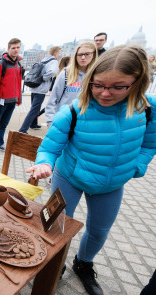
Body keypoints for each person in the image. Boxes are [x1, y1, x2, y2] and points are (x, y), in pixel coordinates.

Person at [27, 44, 156, 295]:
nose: (105, 94)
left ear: (137, 82)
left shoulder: (148, 108)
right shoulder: (75, 110)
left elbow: (150, 143)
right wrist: (44, 163)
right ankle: (55, 262)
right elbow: (50, 146)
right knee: (54, 223)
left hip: (111, 185)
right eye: (98, 85)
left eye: (117, 86)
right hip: (69, 177)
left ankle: (83, 263)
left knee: (98, 231)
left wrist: (138, 166)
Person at [45, 42, 97, 126]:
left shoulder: (97, 75)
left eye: (87, 54)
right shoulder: (66, 73)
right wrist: (50, 120)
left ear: (93, 55)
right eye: (80, 55)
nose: (83, 57)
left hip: (86, 122)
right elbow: (53, 98)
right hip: (64, 119)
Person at [19, 46, 61, 133]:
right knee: (34, 110)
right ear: (55, 53)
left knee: (35, 109)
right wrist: (44, 78)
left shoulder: (44, 60)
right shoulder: (53, 62)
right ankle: (23, 129)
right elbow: (53, 71)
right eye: (59, 53)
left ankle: (33, 124)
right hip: (41, 89)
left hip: (34, 87)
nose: (59, 55)